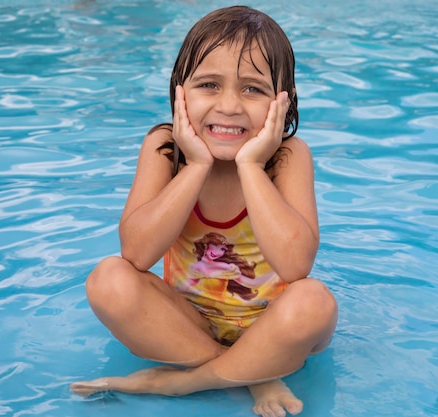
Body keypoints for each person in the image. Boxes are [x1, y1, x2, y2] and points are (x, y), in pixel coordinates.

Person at [70, 5, 337, 417]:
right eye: (209, 85)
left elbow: (295, 265)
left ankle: (187, 381)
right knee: (109, 280)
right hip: (186, 324)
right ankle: (254, 374)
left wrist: (250, 165)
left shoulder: (287, 157)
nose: (229, 105)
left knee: (314, 302)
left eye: (253, 89)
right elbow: (137, 254)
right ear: (180, 92)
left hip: (273, 329)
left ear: (283, 103)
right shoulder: (164, 148)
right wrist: (196, 165)